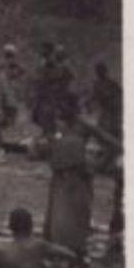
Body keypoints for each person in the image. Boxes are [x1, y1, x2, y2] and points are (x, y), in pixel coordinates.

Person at [44, 104, 93, 257]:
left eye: (59, 120)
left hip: (67, 184)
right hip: (79, 185)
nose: (57, 123)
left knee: (63, 218)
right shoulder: (78, 140)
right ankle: (74, 248)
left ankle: (65, 250)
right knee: (76, 219)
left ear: (65, 122)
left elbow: (56, 163)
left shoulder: (67, 141)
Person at [0, 44, 27, 128]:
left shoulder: (12, 63)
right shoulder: (4, 62)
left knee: (11, 107)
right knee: (6, 107)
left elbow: (22, 70)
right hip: (6, 88)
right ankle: (8, 124)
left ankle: (10, 124)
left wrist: (14, 74)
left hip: (10, 87)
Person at [91, 61, 122, 139]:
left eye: (101, 71)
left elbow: (119, 92)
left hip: (113, 108)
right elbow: (95, 96)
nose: (99, 73)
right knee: (103, 128)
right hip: (105, 109)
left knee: (114, 127)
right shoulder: (97, 84)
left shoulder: (112, 83)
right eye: (98, 71)